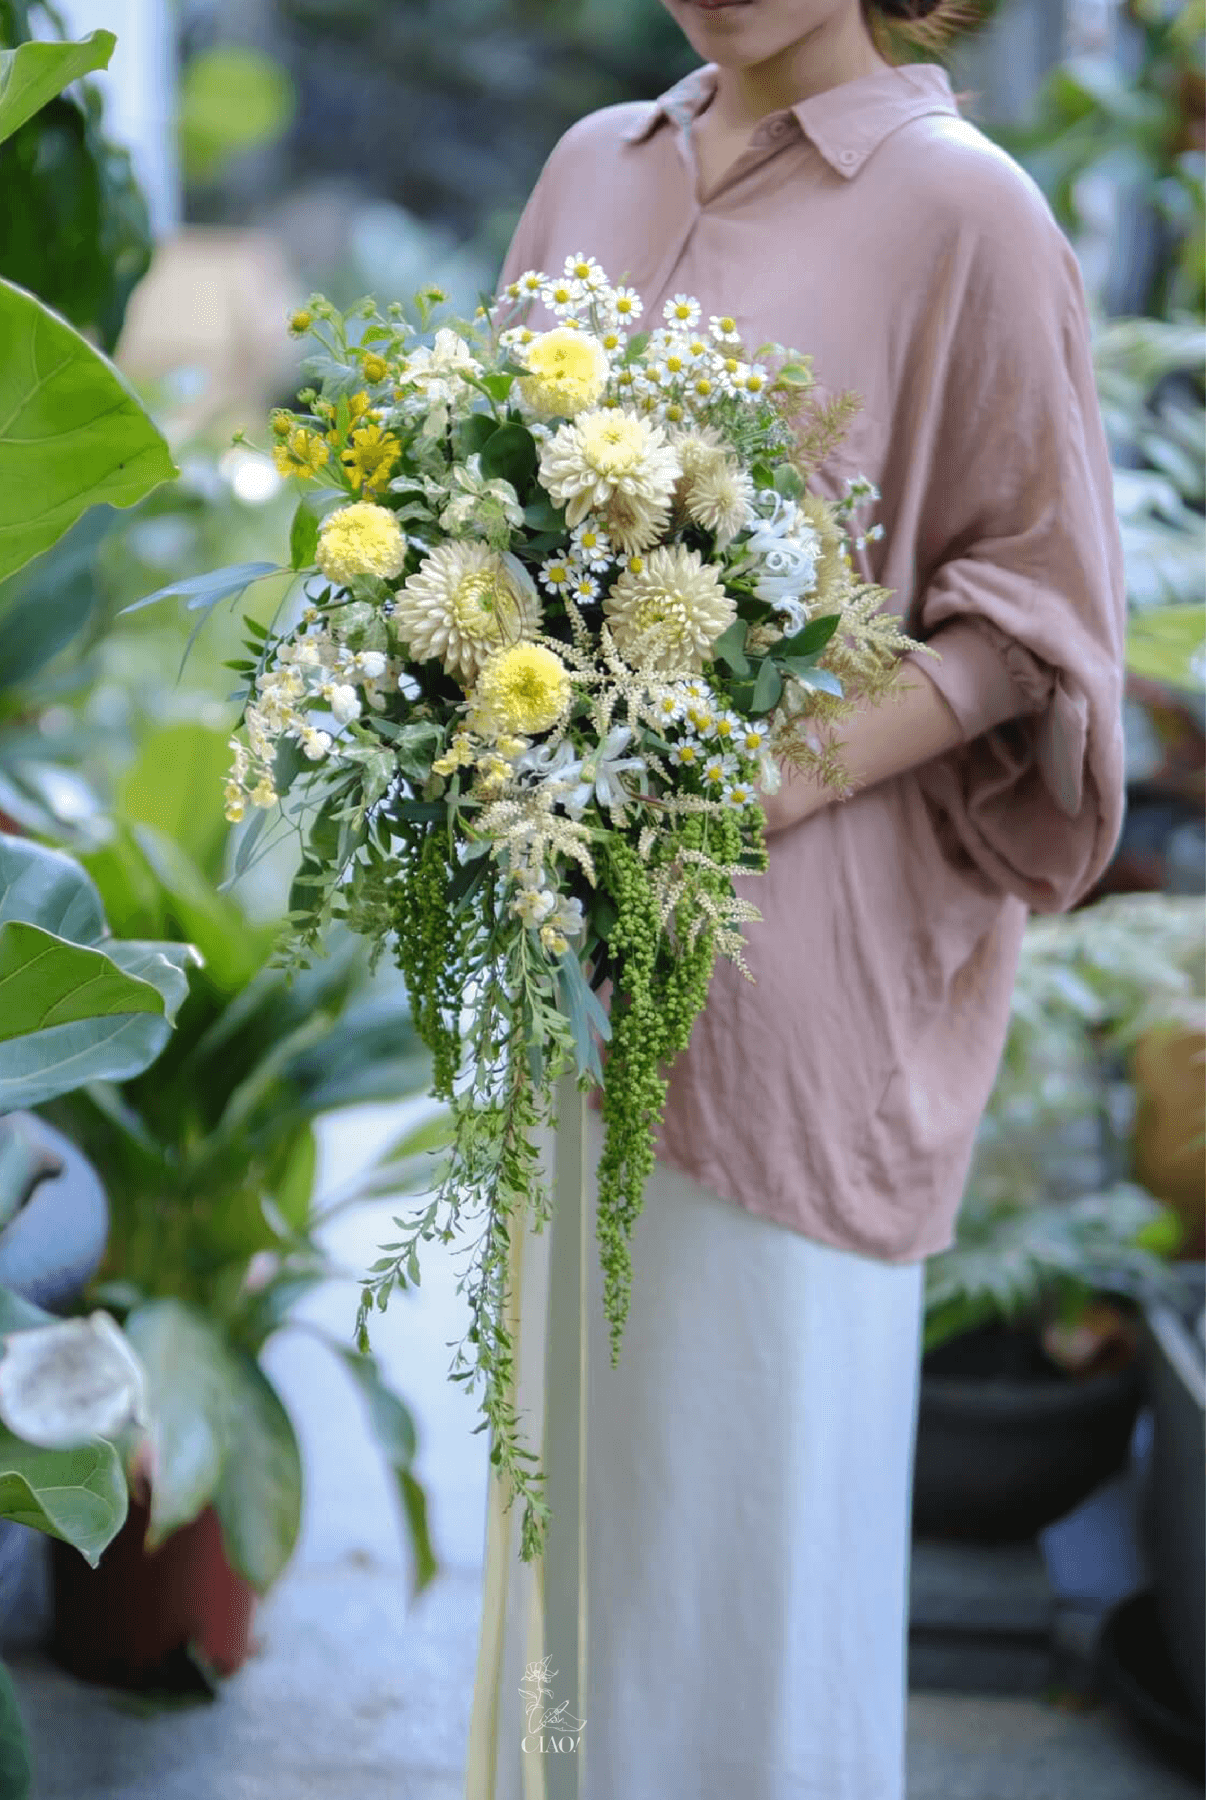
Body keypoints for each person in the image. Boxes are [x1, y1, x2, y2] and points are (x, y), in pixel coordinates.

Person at [465, 3, 1127, 1796]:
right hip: (570, 965)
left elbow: (1035, 621)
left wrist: (763, 776)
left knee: (742, 1581)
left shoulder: (966, 209)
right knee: (581, 1557)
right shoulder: (593, 168)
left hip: (797, 998)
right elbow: (485, 531)